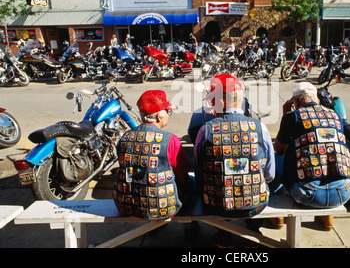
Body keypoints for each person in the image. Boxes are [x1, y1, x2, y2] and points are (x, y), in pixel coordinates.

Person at [193, 73, 276, 247]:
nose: (211, 105)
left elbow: (200, 174)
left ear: (222, 102)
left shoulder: (205, 130)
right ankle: (253, 231)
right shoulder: (260, 127)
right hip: (255, 204)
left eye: (213, 100)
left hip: (216, 204)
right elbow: (269, 174)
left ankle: (223, 234)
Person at [274, 82, 350, 230]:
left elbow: (279, 149)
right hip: (344, 191)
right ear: (317, 100)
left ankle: (277, 215)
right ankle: (327, 217)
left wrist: (285, 115)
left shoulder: (293, 116)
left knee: (276, 158)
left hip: (307, 193)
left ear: (295, 102)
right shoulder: (336, 115)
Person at [113, 90, 190, 220]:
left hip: (126, 205)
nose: (168, 115)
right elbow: (182, 173)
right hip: (163, 209)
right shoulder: (170, 140)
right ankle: (190, 227)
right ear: (159, 117)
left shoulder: (125, 137)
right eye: (168, 111)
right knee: (190, 183)